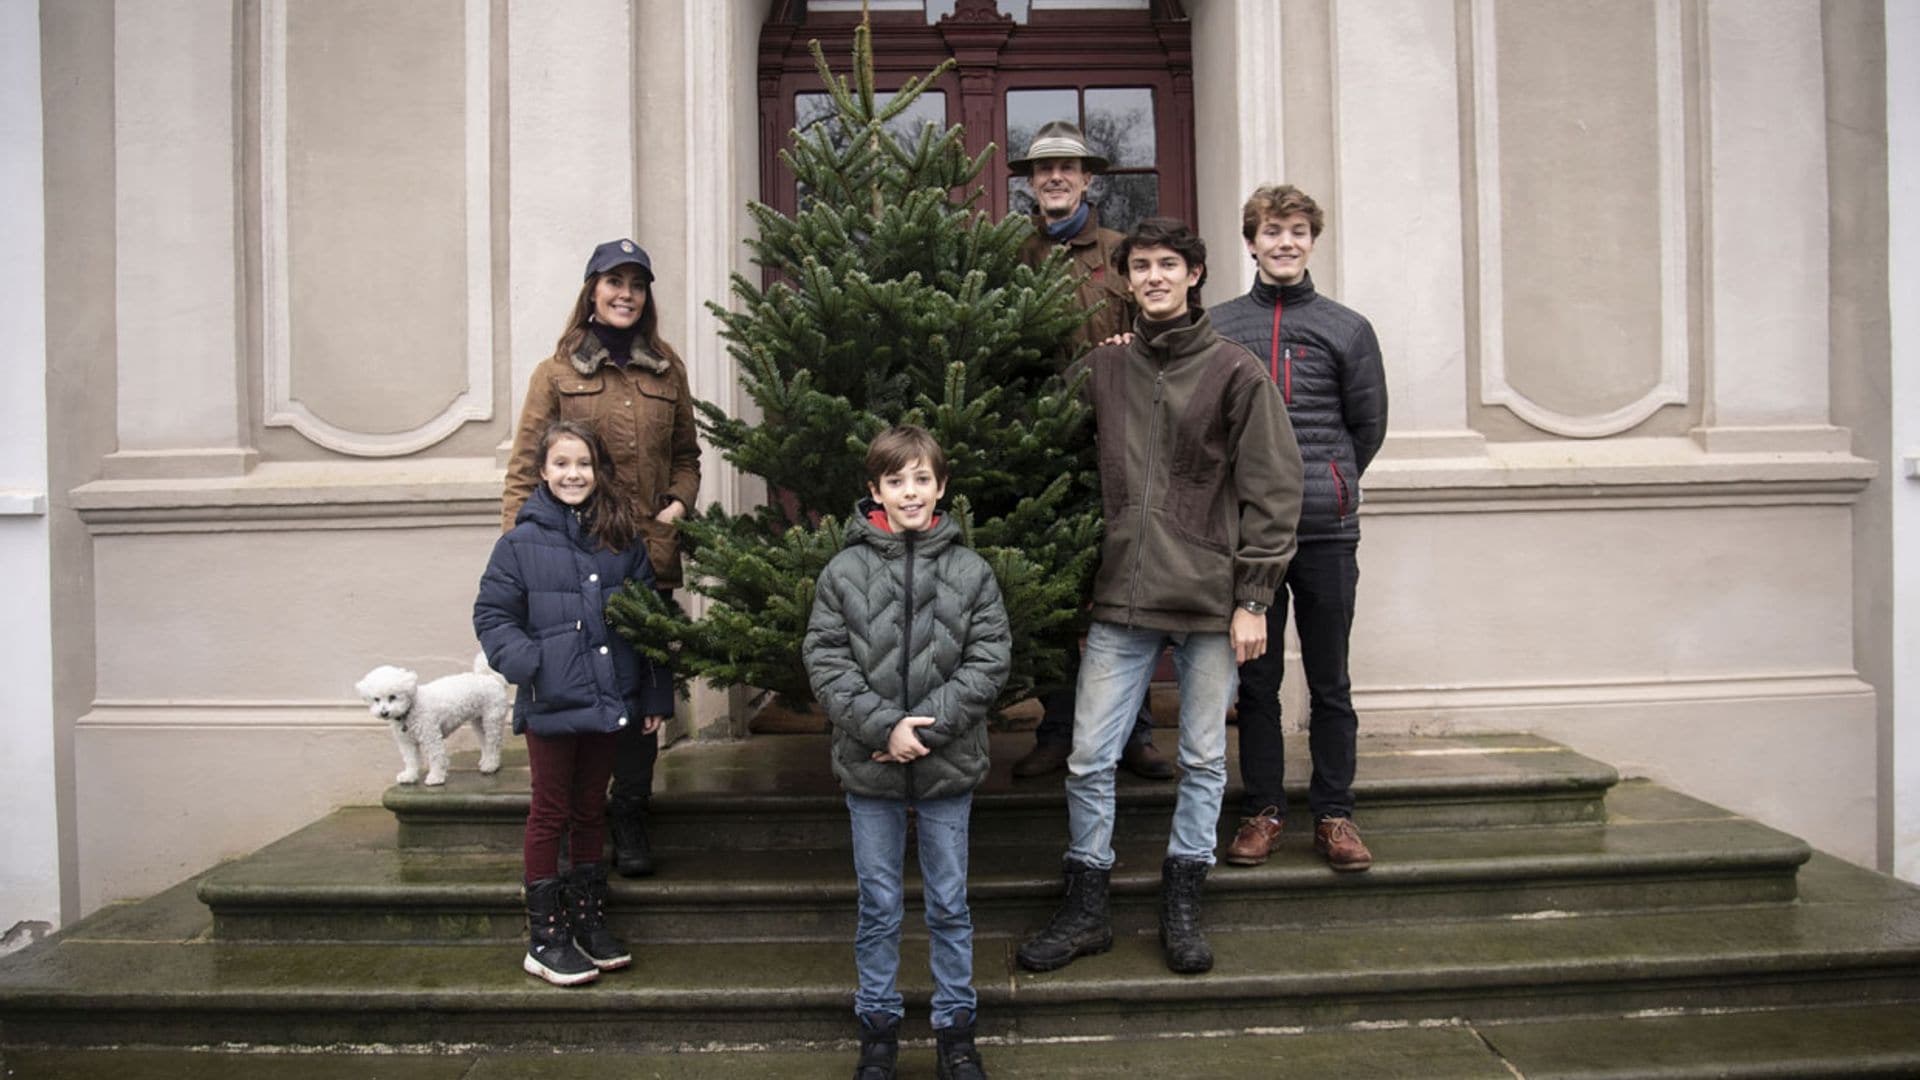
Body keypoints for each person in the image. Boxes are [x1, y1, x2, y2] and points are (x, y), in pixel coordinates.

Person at [1016, 219, 1302, 977]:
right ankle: (1086, 906)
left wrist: (1254, 600)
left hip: (1210, 603)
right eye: (1139, 266)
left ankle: (1183, 898)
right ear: (1126, 280)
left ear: (1195, 274)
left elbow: (1275, 491)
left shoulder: (1236, 372)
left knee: (1205, 760)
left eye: (1167, 265)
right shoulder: (1103, 369)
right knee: (1087, 759)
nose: (1153, 277)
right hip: (1120, 598)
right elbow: (1040, 442)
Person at [803, 425, 1010, 1080]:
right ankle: (878, 1029)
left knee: (949, 900)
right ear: (876, 491)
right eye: (896, 481)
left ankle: (955, 1029)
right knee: (880, 902)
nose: (910, 492)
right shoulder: (844, 573)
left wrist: (926, 729)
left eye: (922, 478)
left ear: (941, 487)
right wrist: (883, 727)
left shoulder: (971, 573)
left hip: (947, 765)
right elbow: (828, 662)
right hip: (870, 765)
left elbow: (989, 659)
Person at [501, 239, 700, 878]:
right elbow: (525, 470)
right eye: (613, 281)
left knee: (641, 689)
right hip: (565, 568)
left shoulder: (666, 369)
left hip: (647, 560)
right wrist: (521, 556)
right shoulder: (555, 374)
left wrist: (676, 505)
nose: (625, 294)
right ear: (591, 291)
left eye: (636, 284)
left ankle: (630, 813)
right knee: (572, 687)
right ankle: (565, 824)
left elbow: (688, 456)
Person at [1211, 185, 1388, 873]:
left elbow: (1366, 427)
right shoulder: (1221, 326)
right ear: (1250, 242)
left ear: (1311, 241)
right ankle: (1262, 811)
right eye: (1270, 231)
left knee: (1329, 679)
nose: (1284, 242)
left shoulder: (1348, 328)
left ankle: (1335, 814)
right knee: (1255, 684)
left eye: (1296, 231)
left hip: (1325, 532)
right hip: (1249, 537)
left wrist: (1329, 483)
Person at [474, 420, 674, 986]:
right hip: (553, 703)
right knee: (550, 811)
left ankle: (587, 921)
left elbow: (649, 622)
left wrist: (655, 691)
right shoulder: (518, 543)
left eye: (583, 464)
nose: (573, 474)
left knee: (591, 809)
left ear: (598, 471)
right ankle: (545, 936)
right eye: (561, 464)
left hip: (610, 700)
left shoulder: (622, 539)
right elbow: (493, 616)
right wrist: (532, 665)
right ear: (542, 472)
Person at [1006, 119, 1172, 783]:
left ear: (1088, 178)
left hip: (1117, 455)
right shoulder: (1010, 259)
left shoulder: (1126, 255)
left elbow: (1165, 338)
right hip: (1037, 456)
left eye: (1068, 168)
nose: (1055, 178)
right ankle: (1056, 727)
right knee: (1052, 600)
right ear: (1029, 182)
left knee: (1125, 593)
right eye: (1044, 169)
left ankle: (1136, 732)